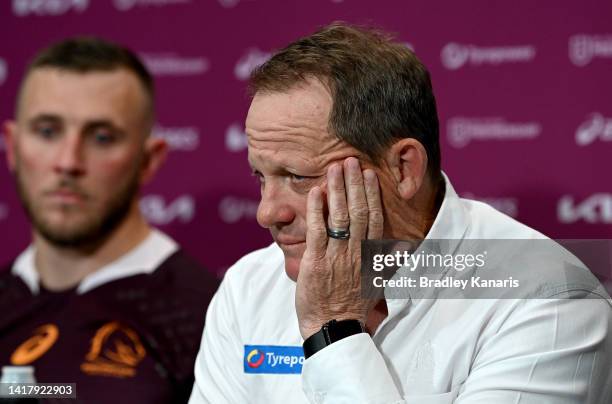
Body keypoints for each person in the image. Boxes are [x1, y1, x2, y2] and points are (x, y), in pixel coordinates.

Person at [189, 23, 612, 404]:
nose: (267, 213)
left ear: (402, 168)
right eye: (261, 177)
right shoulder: (248, 287)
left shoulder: (550, 299)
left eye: (298, 176)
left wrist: (332, 329)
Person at [0, 37, 218, 403]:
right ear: (13, 146)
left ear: (149, 160)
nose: (68, 162)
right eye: (48, 131)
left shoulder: (204, 317)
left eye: (102, 137)